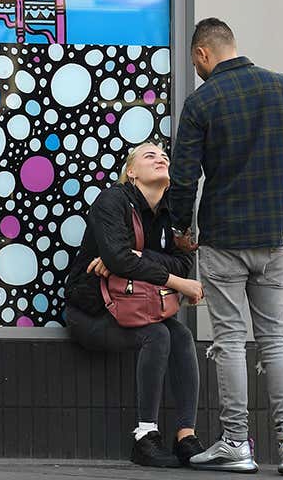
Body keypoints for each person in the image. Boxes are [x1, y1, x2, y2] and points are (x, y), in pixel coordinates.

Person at [169, 18, 283, 476]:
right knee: (275, 341)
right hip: (272, 238)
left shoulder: (201, 101)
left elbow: (184, 178)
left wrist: (179, 228)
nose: (198, 70)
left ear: (203, 53)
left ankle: (235, 444)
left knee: (229, 342)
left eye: (195, 62)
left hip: (223, 240)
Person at [64, 142, 206, 468]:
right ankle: (144, 437)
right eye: (149, 155)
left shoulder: (176, 210)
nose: (160, 159)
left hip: (139, 307)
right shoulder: (112, 201)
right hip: (93, 311)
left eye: (164, 156)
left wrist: (138, 257)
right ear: (131, 172)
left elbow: (184, 261)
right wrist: (175, 282)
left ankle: (186, 437)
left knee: (181, 336)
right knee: (158, 336)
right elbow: (119, 258)